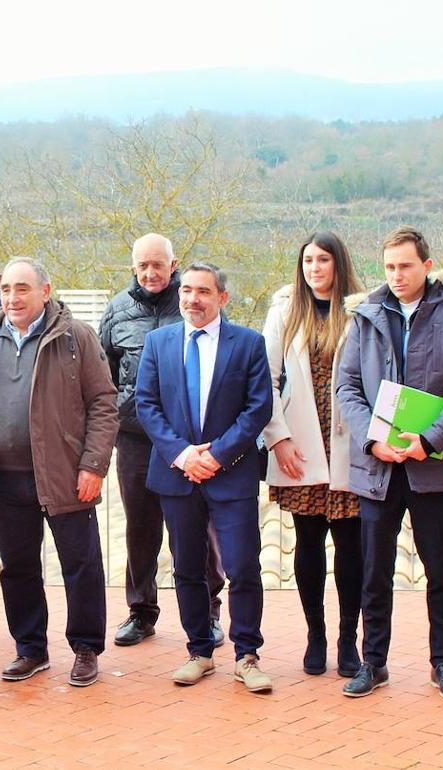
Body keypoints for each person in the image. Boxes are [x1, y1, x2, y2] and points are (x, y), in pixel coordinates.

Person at [336, 226, 443, 700]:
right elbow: (347, 387)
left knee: (440, 571)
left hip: (433, 466)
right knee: (373, 571)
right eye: (389, 267)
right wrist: (373, 440)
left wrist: (431, 437)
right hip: (378, 468)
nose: (397, 275)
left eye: (405, 266)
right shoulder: (364, 316)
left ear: (426, 265)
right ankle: (372, 663)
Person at [0, 258, 118, 687]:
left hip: (65, 475)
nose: (12, 297)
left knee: (80, 566)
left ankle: (85, 649)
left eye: (22, 288)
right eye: (6, 289)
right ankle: (30, 649)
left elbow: (104, 402)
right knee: (19, 567)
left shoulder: (75, 338)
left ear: (45, 291)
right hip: (5, 479)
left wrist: (93, 464)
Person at [134, 262, 275, 693]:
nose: (193, 299)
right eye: (187, 291)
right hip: (177, 476)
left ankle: (247, 654)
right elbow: (146, 404)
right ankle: (199, 652)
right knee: (187, 567)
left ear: (222, 298)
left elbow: (258, 408)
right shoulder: (158, 342)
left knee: (242, 565)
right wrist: (181, 454)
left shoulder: (249, 344)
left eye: (203, 292)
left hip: (230, 475)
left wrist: (216, 456)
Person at [99, 233, 226, 648]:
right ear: (133, 267)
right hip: (135, 437)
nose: (151, 273)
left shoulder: (191, 304)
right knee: (141, 527)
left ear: (173, 265)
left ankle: (209, 610)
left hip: (187, 440)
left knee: (195, 526)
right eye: (143, 266)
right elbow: (104, 374)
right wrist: (123, 407)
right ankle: (141, 611)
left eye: (158, 265)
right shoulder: (116, 311)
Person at [261, 232, 365, 678]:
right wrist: (278, 437)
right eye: (307, 260)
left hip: (348, 443)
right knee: (307, 545)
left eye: (323, 260)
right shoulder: (284, 311)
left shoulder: (362, 312)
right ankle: (315, 635)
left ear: (339, 264)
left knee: (351, 548)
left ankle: (348, 640)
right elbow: (264, 377)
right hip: (301, 443)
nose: (315, 268)